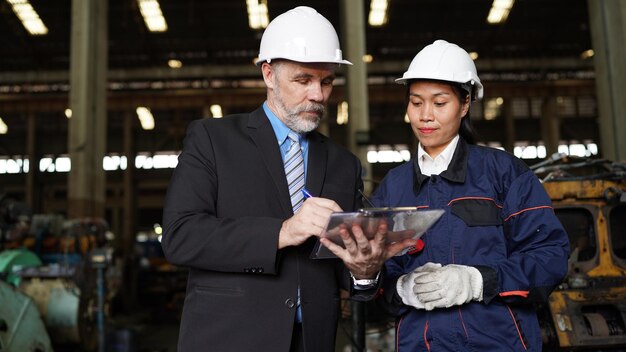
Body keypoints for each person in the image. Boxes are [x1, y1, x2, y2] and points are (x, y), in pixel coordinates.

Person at [161, 6, 416, 352]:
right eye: (303, 80)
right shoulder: (213, 139)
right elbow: (180, 236)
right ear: (269, 74)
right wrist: (283, 231)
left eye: (326, 81)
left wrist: (364, 270)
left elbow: (347, 274)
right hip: (228, 339)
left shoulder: (344, 164)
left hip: (312, 341)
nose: (318, 95)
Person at [370, 40, 570, 351]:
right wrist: (400, 287)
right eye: (416, 102)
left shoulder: (505, 173)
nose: (425, 116)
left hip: (499, 343)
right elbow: (375, 271)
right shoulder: (393, 187)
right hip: (420, 344)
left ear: (465, 104)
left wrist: (477, 281)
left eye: (439, 103)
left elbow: (549, 257)